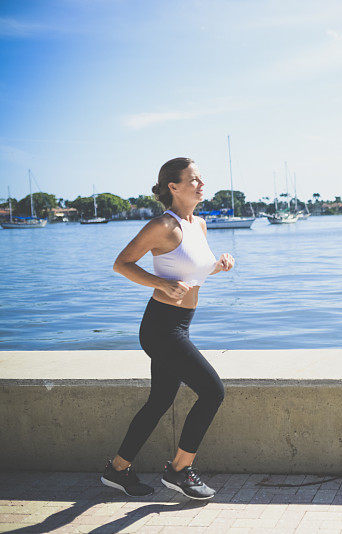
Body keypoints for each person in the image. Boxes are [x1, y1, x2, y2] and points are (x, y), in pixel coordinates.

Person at [100, 157, 235, 500]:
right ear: (173, 187)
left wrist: (219, 265)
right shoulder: (163, 225)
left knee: (160, 400)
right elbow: (122, 264)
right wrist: (158, 284)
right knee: (212, 391)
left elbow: (192, 272)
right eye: (194, 179)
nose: (201, 184)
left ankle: (117, 469)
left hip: (180, 326)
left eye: (201, 178)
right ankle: (178, 470)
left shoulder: (199, 225)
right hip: (161, 328)